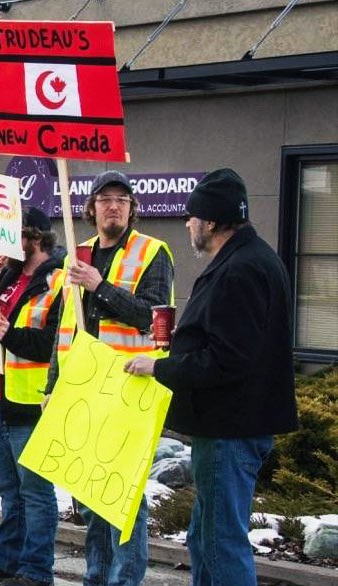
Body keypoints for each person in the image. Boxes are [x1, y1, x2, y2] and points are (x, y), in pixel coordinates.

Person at [124, 169, 298, 586]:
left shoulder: (240, 270)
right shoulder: (246, 259)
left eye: (192, 216)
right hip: (229, 426)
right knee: (205, 538)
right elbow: (231, 339)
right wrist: (181, 338)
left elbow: (227, 361)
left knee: (221, 542)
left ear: (212, 222)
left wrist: (160, 367)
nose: (187, 223)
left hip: (230, 430)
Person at [45, 171, 174, 586]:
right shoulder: (76, 256)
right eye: (105, 199)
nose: (114, 205)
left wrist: (101, 287)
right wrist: (51, 387)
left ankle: (124, 580)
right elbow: (65, 327)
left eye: (122, 199)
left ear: (133, 210)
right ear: (92, 208)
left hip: (130, 388)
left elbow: (153, 318)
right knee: (90, 493)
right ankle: (96, 577)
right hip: (82, 389)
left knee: (124, 496)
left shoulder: (153, 252)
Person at [0, 208, 65, 586]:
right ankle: (5, 561)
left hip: (29, 401)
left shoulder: (57, 280)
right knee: (8, 490)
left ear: (33, 238)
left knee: (34, 491)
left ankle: (36, 571)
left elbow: (57, 342)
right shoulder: (6, 274)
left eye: (9, 236)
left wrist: (13, 335)